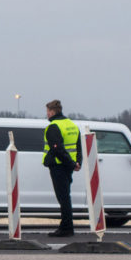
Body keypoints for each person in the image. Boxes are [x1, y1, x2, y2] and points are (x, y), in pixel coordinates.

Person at [43, 99, 82, 237]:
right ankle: (66, 226)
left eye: (47, 111)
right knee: (65, 197)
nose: (47, 114)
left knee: (63, 198)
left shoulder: (54, 126)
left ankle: (66, 228)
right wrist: (77, 163)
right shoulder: (72, 125)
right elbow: (78, 146)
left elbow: (57, 148)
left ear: (53, 111)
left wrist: (71, 163)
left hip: (59, 166)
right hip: (68, 166)